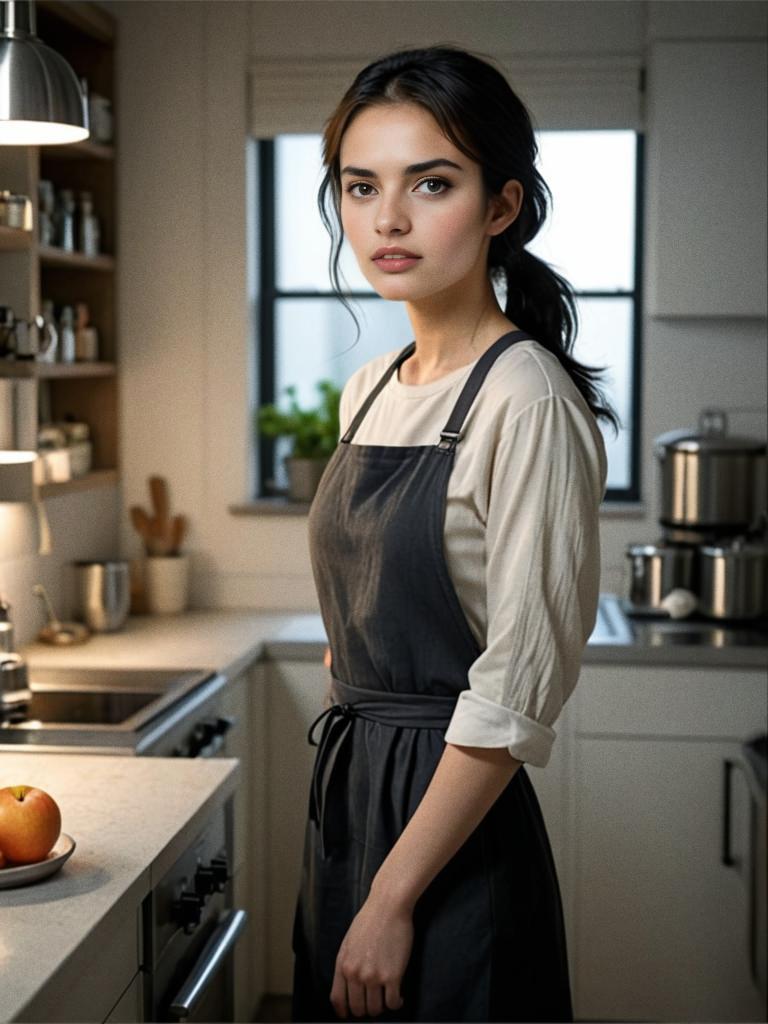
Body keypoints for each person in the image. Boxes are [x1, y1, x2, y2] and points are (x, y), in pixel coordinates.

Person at [290, 45, 618, 1024]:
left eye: (430, 183)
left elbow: (517, 688)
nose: (386, 219)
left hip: (449, 828)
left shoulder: (527, 399)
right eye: (360, 186)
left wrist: (395, 894)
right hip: (351, 803)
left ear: (502, 206)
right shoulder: (373, 385)